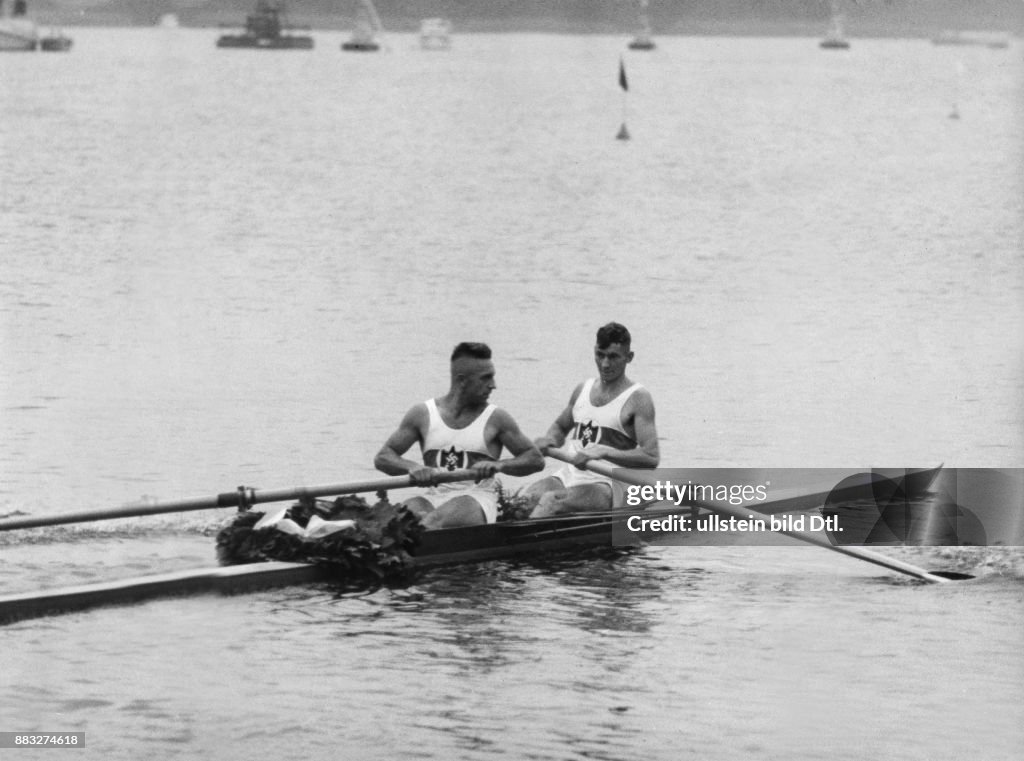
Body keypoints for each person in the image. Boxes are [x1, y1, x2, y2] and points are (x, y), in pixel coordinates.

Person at [374, 342, 544, 529]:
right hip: (433, 497)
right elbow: (383, 457)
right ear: (462, 380)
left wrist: (500, 465)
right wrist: (412, 467)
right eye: (486, 378)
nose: (493, 385)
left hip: (475, 499)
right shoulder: (422, 414)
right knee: (400, 517)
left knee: (434, 521)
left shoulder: (496, 419)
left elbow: (535, 459)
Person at [524, 322, 659, 517]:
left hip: (609, 484)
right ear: (595, 351)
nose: (605, 364)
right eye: (600, 354)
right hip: (570, 475)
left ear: (629, 357)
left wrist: (603, 452)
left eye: (613, 357)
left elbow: (651, 457)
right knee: (524, 500)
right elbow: (560, 427)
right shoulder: (582, 389)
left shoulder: (638, 398)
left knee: (550, 502)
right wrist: (550, 440)